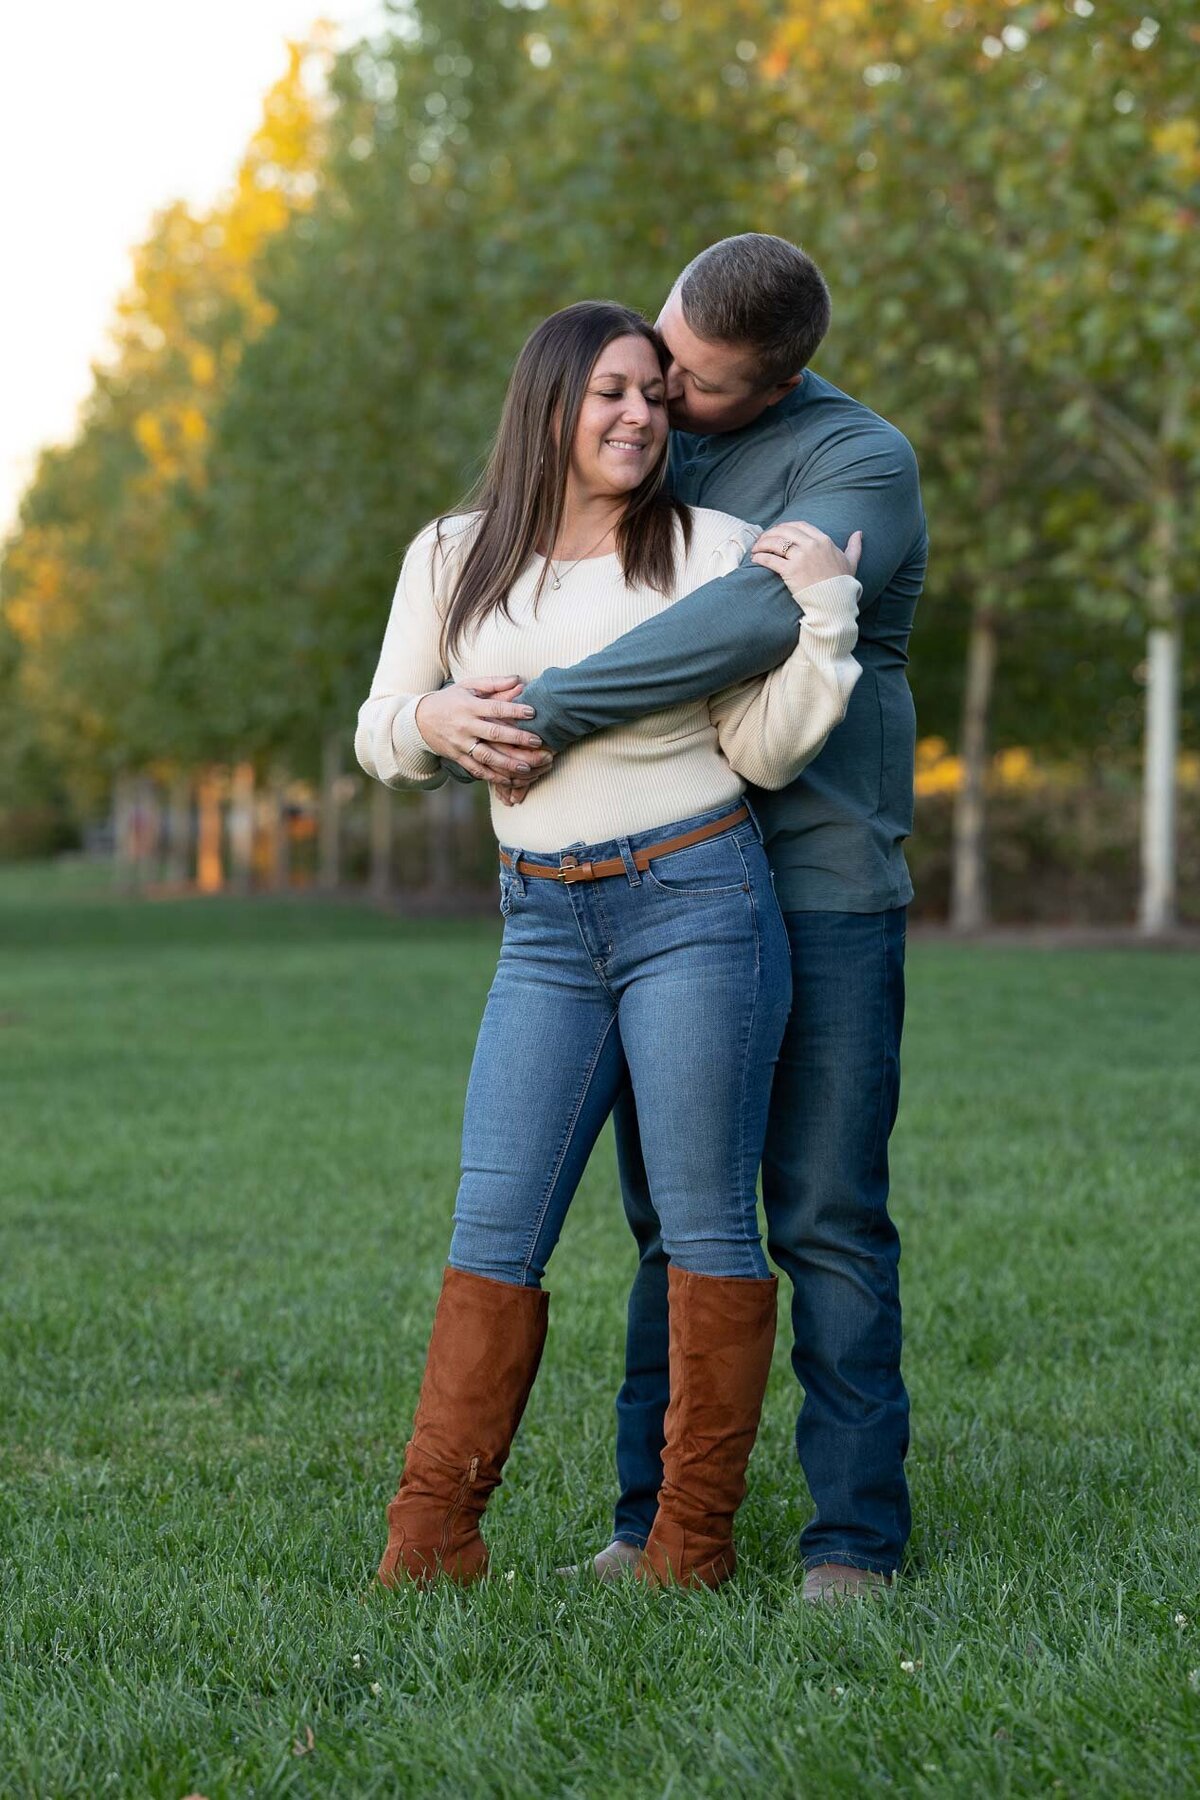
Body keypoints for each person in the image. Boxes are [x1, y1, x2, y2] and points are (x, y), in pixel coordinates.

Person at [420, 236, 928, 1602]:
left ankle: (853, 1539)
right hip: (679, 882)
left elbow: (746, 625)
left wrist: (535, 714)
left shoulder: (859, 461)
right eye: (655, 359)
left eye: (690, 385)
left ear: (776, 384)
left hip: (821, 882)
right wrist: (433, 713)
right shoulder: (664, 444)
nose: (661, 399)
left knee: (823, 1213)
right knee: (675, 1219)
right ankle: (650, 1522)